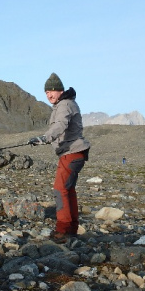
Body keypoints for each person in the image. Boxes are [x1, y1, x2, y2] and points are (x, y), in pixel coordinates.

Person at [28, 72, 91, 244]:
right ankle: (71, 229)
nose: (49, 94)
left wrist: (44, 138)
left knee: (60, 189)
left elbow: (60, 125)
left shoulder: (64, 105)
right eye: (46, 92)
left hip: (72, 152)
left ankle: (63, 230)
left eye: (52, 91)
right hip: (72, 153)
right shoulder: (65, 103)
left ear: (60, 90)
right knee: (68, 190)